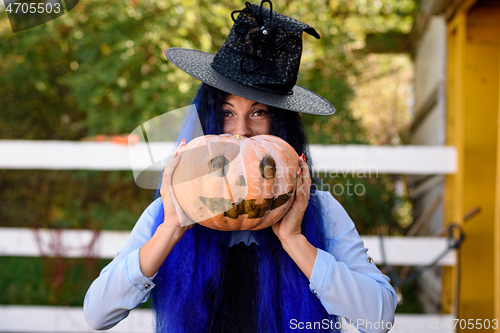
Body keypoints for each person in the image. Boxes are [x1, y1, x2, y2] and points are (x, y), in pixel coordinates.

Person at [83, 1, 397, 332]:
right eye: (227, 112)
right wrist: (170, 229)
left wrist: (294, 239)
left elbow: (379, 319)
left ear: (281, 127)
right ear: (207, 118)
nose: (241, 131)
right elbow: (98, 314)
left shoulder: (319, 210)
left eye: (259, 112)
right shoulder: (168, 212)